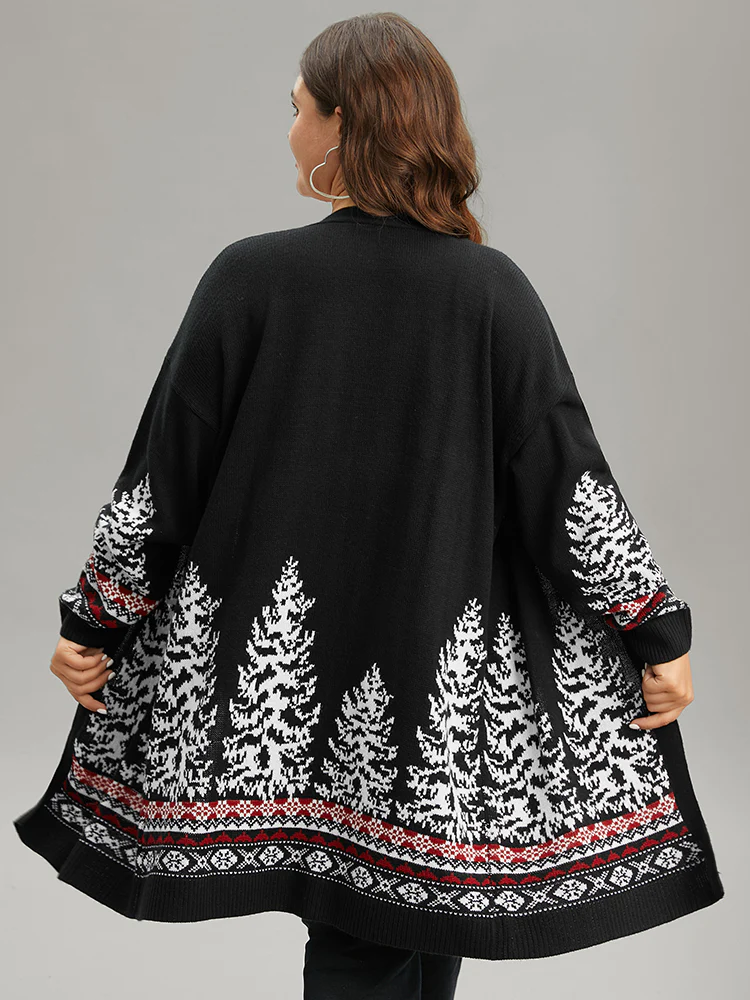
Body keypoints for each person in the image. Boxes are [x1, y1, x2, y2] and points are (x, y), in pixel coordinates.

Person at [13, 12, 723, 1000]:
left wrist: (93, 621)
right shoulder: (490, 292)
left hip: (294, 692)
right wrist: (655, 631)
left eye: (297, 108)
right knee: (402, 925)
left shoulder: (250, 277)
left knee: (385, 938)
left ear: (343, 124)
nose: (289, 130)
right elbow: (568, 485)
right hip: (439, 697)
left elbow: (163, 478)